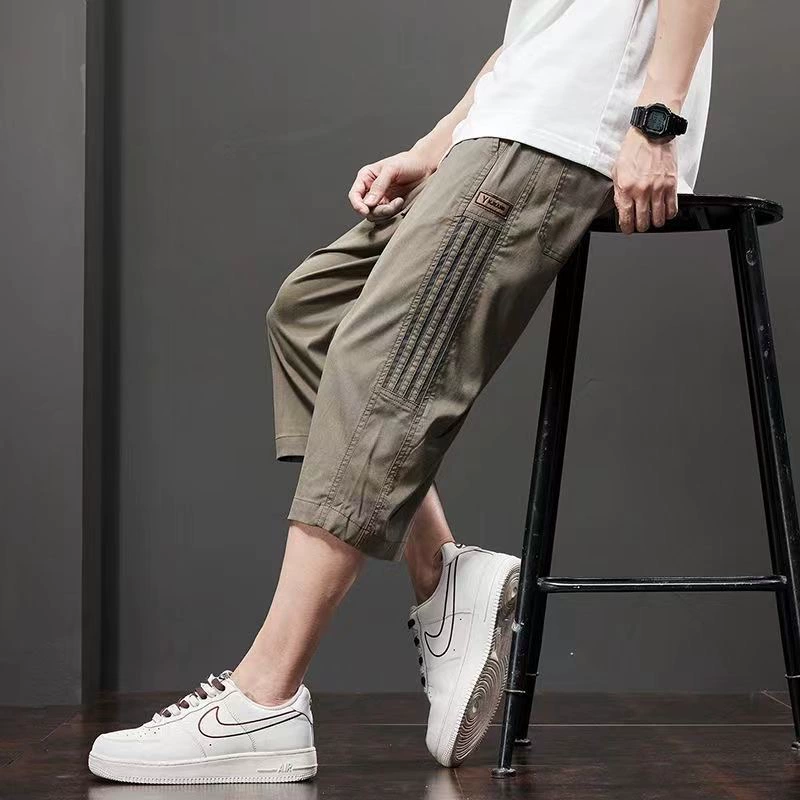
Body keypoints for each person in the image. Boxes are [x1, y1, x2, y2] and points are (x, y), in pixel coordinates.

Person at [88, 0, 718, 784]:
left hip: (563, 131)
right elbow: (540, 30)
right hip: (506, 124)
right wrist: (437, 142)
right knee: (311, 316)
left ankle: (264, 697)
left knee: (378, 365)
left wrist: (656, 122)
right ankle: (442, 577)